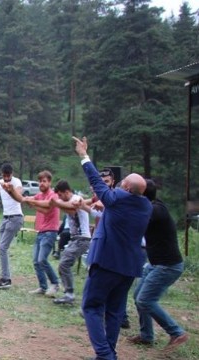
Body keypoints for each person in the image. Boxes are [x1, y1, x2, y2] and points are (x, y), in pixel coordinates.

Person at [73, 136, 151, 360]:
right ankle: (109, 353)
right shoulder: (145, 205)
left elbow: (98, 184)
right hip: (129, 267)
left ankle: (105, 354)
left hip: (107, 262)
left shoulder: (117, 197)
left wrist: (83, 156)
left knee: (91, 306)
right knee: (115, 312)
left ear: (125, 187)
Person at [127, 180, 189, 350]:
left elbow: (132, 220)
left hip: (167, 266)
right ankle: (147, 336)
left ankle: (177, 332)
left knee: (145, 300)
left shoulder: (154, 210)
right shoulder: (152, 205)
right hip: (155, 264)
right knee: (139, 296)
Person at [18, 171, 61, 296]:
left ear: (49, 182)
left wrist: (32, 202)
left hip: (50, 232)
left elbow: (48, 206)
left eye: (44, 181)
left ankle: (55, 283)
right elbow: (22, 199)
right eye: (40, 181)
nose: (41, 183)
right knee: (36, 261)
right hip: (41, 232)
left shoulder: (53, 195)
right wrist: (10, 191)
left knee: (42, 260)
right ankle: (43, 287)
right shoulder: (39, 195)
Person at [49, 180, 91, 305]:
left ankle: (70, 294)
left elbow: (72, 209)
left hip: (82, 239)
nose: (60, 198)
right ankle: (69, 293)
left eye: (61, 195)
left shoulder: (76, 199)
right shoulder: (66, 201)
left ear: (67, 192)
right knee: (63, 263)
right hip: (75, 239)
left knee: (64, 264)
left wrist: (56, 203)